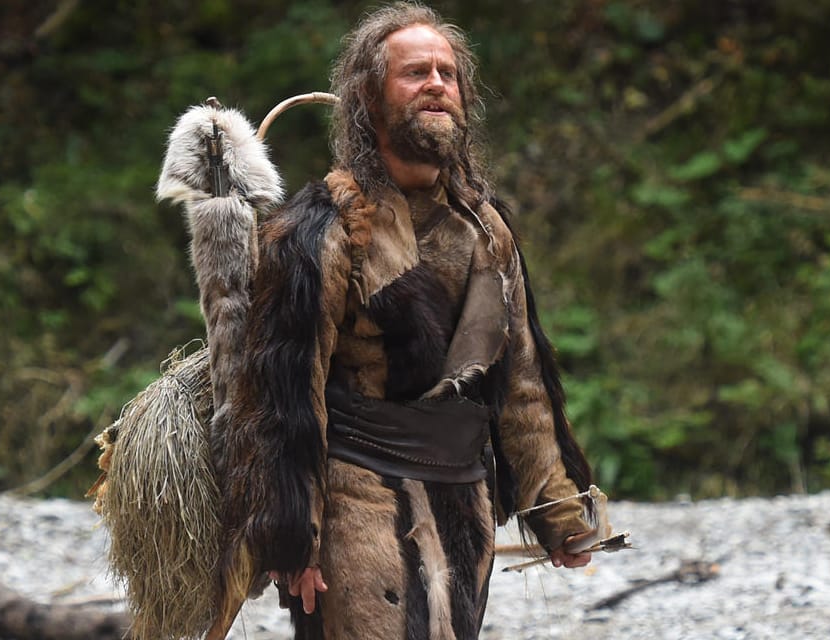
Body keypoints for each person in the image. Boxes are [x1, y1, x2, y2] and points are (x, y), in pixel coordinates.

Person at [205, 3, 604, 638]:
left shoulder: (487, 229)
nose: (437, 85)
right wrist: (293, 540)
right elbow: (281, 396)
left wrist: (557, 511)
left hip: (464, 497)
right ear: (369, 94)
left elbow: (523, 385)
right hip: (356, 497)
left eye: (448, 73)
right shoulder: (324, 233)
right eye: (416, 72)